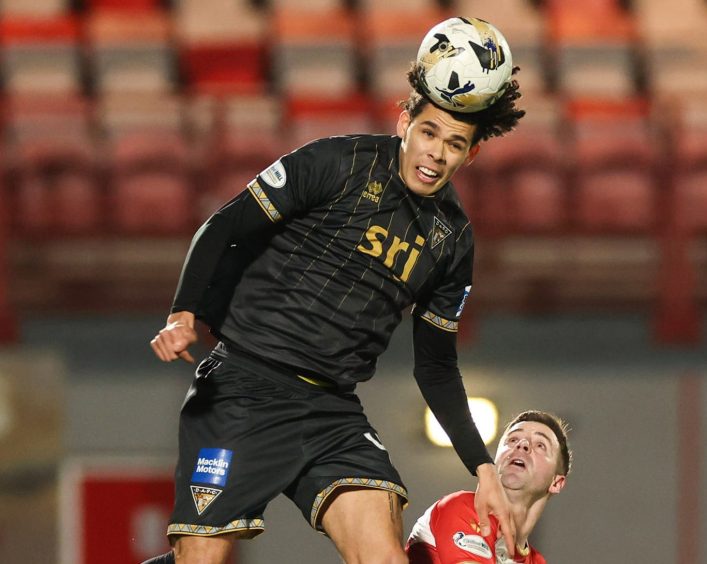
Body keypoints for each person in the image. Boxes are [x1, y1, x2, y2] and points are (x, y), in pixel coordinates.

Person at [145, 45, 525, 564]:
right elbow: (226, 225)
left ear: (471, 155)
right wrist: (184, 312)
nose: (436, 153)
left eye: (455, 144)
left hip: (331, 412)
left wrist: (482, 468)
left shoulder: (452, 239)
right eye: (429, 133)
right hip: (243, 387)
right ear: (404, 122)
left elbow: (436, 365)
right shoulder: (337, 162)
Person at [406, 410, 572, 563]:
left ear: (556, 483)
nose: (522, 444)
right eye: (513, 439)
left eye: (540, 445)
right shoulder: (462, 507)